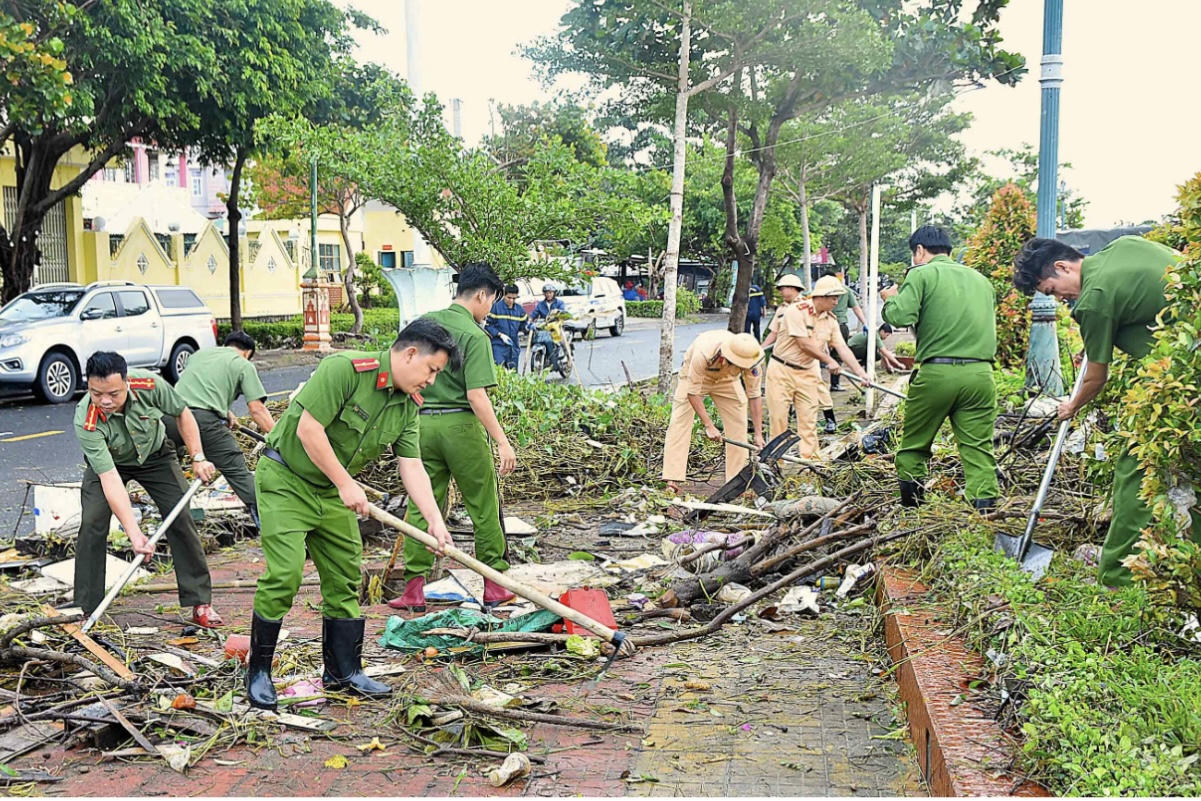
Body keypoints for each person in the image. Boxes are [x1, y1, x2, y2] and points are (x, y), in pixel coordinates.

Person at [246, 320, 459, 710]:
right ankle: (259, 672)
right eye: (431, 370)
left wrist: (434, 520)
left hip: (330, 492)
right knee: (285, 573)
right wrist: (347, 484)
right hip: (286, 479)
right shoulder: (344, 370)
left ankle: (343, 672)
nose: (431, 381)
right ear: (410, 354)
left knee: (345, 578)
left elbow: (411, 464)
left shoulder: (406, 404)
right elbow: (310, 431)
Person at [1013, 234, 1201, 586]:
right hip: (1189, 355)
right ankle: (1191, 560)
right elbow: (1140, 305)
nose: (1060, 298)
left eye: (1053, 290)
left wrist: (1071, 406)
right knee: (1191, 465)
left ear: (1062, 266)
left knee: (1137, 466)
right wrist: (1097, 341)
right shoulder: (1122, 247)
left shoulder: (1093, 301)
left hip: (1183, 377)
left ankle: (1117, 578)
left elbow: (1096, 377)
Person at [390, 264, 519, 612]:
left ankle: (414, 588)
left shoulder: (424, 325)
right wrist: (503, 441)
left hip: (419, 426)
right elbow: (477, 396)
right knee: (482, 503)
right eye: (491, 301)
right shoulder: (474, 336)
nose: (490, 308)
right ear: (481, 295)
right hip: (460, 427)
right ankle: (494, 584)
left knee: (422, 505)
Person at [73, 351, 220, 626]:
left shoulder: (150, 385)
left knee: (180, 516)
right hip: (109, 465)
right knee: (92, 520)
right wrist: (135, 534)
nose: (105, 401)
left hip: (155, 456)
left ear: (127, 382)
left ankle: (200, 601)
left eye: (114, 394)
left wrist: (198, 456)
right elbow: (109, 478)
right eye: (96, 393)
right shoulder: (86, 419)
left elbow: (183, 414)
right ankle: (86, 606)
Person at [881, 225, 998, 510]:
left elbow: (900, 315)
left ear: (919, 251)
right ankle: (985, 519)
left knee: (914, 447)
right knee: (978, 451)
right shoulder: (982, 280)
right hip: (981, 376)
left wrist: (889, 300)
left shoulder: (921, 273)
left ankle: (914, 517)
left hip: (937, 374)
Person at [163, 332, 274, 528]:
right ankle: (270, 523)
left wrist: (225, 411)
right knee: (236, 470)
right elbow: (257, 409)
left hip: (170, 417)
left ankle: (176, 518)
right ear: (247, 353)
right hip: (203, 421)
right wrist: (278, 437)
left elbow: (199, 387)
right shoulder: (243, 365)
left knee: (170, 467)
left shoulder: (199, 355)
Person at [762, 274, 869, 457]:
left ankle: (810, 465)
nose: (836, 302)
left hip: (807, 373)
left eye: (838, 297)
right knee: (778, 421)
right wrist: (829, 361)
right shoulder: (795, 311)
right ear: (821, 296)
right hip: (782, 370)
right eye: (833, 297)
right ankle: (775, 465)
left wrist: (860, 373)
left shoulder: (831, 321)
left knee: (808, 423)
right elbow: (803, 344)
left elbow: (841, 347)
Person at [661, 330, 765, 494]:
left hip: (727, 380)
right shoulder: (703, 353)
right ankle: (672, 478)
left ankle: (736, 481)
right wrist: (709, 425)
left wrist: (759, 433)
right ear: (727, 359)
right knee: (680, 421)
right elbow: (692, 393)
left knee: (738, 422)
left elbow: (754, 395)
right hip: (697, 377)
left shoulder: (752, 359)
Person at [828, 272, 868, 391]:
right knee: (837, 355)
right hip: (840, 324)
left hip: (832, 324)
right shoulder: (845, 290)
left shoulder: (824, 291)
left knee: (835, 354)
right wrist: (864, 323)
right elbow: (856, 308)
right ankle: (834, 384)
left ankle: (833, 383)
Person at [485, 284, 529, 369]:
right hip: (498, 345)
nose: (511, 301)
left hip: (513, 346)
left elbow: (523, 326)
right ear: (504, 295)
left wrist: (528, 327)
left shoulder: (519, 310)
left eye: (514, 298)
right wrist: (500, 334)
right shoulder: (496, 308)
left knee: (513, 373)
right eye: (509, 298)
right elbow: (488, 325)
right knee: (499, 370)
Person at [531, 282, 568, 367]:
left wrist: (557, 315)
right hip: (545, 328)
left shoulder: (559, 303)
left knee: (562, 341)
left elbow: (562, 312)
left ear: (554, 293)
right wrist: (530, 321)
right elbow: (534, 314)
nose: (548, 294)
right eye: (546, 292)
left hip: (557, 327)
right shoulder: (540, 304)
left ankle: (566, 357)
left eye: (550, 292)